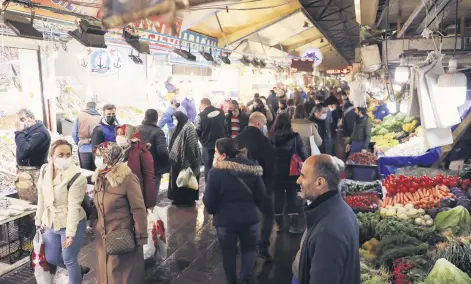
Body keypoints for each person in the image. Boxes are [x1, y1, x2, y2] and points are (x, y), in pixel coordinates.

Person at [203, 138, 266, 284]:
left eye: (216, 153)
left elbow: (209, 201)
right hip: (250, 218)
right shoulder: (253, 167)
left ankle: (232, 281)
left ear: (224, 155)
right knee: (250, 249)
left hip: (225, 221)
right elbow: (262, 195)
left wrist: (215, 211)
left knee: (228, 253)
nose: (215, 156)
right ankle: (245, 279)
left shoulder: (215, 173)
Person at [293, 155, 360, 284]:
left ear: (320, 183)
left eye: (303, 176)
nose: (298, 181)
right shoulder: (340, 208)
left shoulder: (327, 233)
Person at [92, 142, 148, 284]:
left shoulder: (128, 179)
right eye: (97, 156)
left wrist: (141, 237)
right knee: (105, 272)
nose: (98, 160)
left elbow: (139, 209)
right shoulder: (100, 178)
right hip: (103, 237)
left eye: (101, 156)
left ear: (112, 157)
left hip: (122, 236)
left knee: (122, 275)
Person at [35, 139, 89, 284]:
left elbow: (73, 207)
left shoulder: (77, 177)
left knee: (69, 259)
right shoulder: (45, 170)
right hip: (51, 222)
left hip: (71, 223)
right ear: (51, 156)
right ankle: (78, 270)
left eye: (68, 154)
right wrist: (38, 220)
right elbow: (42, 196)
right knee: (51, 257)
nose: (64, 158)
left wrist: (70, 234)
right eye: (60, 154)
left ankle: (75, 276)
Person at [235, 112, 276, 261]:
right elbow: (270, 165)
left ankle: (244, 243)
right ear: (259, 124)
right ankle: (262, 246)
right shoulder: (264, 141)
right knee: (268, 214)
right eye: (264, 125)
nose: (265, 128)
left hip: (240, 185)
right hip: (262, 184)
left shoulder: (237, 139)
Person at [271, 113, 308, 235]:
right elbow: (303, 154)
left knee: (278, 197)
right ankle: (293, 225)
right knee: (292, 196)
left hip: (275, 172)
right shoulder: (295, 137)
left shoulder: (270, 137)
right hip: (292, 172)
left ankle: (279, 225)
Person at [14, 108, 51, 204]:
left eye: (22, 119)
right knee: (26, 204)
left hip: (34, 175)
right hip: (26, 174)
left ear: (31, 118)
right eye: (19, 121)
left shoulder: (40, 133)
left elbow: (24, 150)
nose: (21, 123)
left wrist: (19, 132)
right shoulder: (29, 131)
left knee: (35, 204)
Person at [116, 124, 157, 208]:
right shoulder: (117, 152)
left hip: (137, 196)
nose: (119, 137)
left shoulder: (142, 152)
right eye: (117, 134)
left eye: (122, 134)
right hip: (121, 198)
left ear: (130, 135)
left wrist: (149, 204)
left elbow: (149, 179)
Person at [168, 111, 201, 207]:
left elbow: (192, 145)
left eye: (175, 119)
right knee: (180, 179)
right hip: (179, 160)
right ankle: (178, 199)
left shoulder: (189, 127)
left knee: (187, 179)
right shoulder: (180, 127)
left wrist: (186, 160)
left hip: (187, 161)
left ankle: (187, 200)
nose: (174, 121)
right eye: (173, 119)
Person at [138, 109, 170, 197]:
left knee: (140, 194)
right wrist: (169, 162)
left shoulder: (136, 129)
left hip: (138, 167)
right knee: (151, 196)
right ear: (156, 119)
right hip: (153, 169)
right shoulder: (158, 132)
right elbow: (162, 151)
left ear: (145, 117)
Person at [196, 98, 226, 181]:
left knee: (208, 166)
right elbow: (225, 125)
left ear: (204, 104)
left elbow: (197, 131)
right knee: (221, 165)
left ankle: (209, 186)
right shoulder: (221, 112)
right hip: (221, 144)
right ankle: (221, 185)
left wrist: (201, 140)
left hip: (207, 145)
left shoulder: (200, 116)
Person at [72, 101, 101, 171]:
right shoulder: (100, 118)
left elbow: (74, 133)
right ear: (95, 107)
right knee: (97, 173)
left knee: (86, 173)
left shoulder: (80, 116)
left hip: (84, 148)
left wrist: (78, 142)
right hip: (97, 150)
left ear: (86, 107)